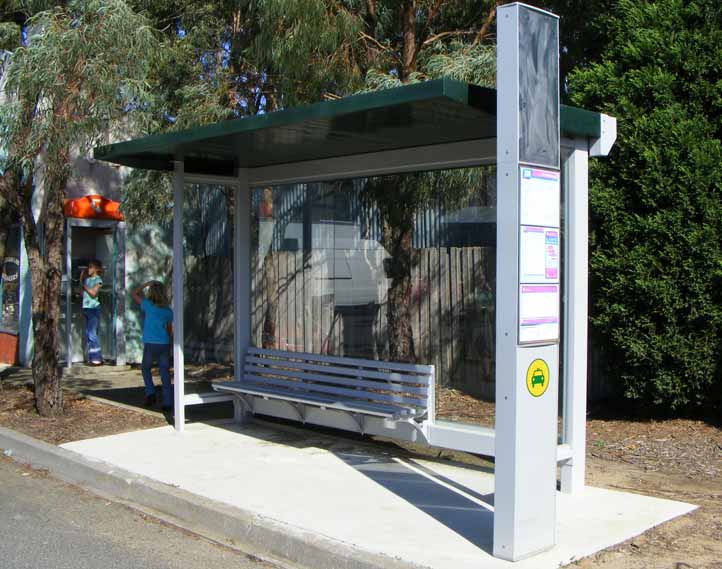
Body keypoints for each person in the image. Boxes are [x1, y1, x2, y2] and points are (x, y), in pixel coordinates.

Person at [132, 280, 173, 411]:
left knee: (145, 368)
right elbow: (169, 329)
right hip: (164, 343)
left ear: (151, 293)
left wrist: (147, 283)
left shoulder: (148, 305)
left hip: (150, 344)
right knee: (164, 372)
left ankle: (150, 393)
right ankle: (167, 401)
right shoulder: (168, 311)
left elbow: (134, 293)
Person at [80, 260, 104, 365]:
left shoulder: (98, 280)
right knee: (88, 333)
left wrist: (85, 287)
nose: (88, 269)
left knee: (92, 333)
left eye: (90, 267)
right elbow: (83, 294)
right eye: (88, 267)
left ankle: (97, 357)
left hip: (93, 308)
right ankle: (92, 357)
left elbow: (94, 293)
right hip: (86, 307)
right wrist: (81, 280)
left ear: (96, 269)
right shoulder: (87, 280)